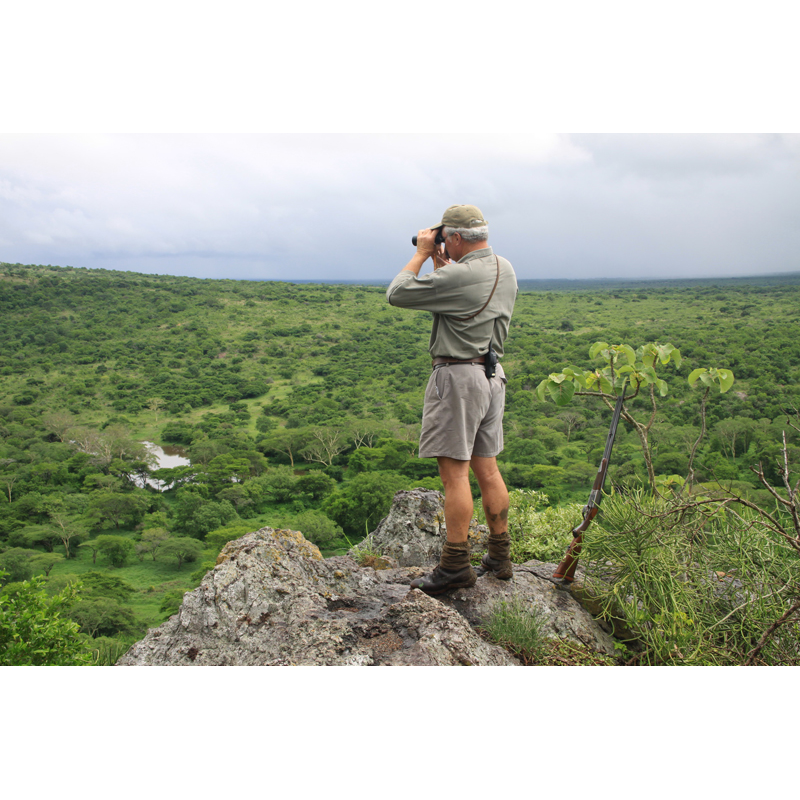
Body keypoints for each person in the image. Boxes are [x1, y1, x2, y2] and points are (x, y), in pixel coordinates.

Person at [386, 204, 518, 594]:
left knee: (455, 476)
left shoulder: (458, 273)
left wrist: (422, 254)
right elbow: (467, 300)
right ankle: (500, 555)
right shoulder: (504, 267)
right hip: (492, 375)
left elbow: (397, 293)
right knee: (488, 470)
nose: (441, 242)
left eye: (445, 238)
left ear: (455, 237)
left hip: (459, 379)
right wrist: (445, 267)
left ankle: (455, 565)